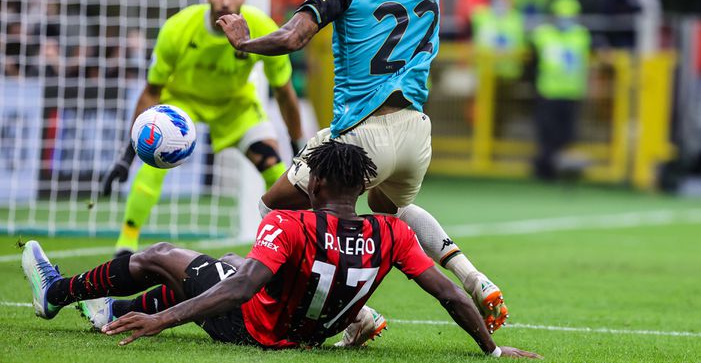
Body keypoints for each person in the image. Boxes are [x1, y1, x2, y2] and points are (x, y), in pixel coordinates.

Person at [216, 0, 509, 340]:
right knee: (391, 213)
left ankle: (356, 315)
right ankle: (472, 276)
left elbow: (293, 37)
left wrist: (244, 42)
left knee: (274, 210)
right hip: (415, 134)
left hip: (361, 133)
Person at [22, 141, 540, 359]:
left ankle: (57, 291)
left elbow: (243, 289)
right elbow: (449, 293)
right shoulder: (392, 233)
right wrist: (492, 350)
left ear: (316, 183)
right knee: (223, 266)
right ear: (360, 188)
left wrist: (164, 321)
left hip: (253, 328)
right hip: (313, 332)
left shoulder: (289, 223)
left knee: (159, 255)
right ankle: (115, 310)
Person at [102, 0, 304, 254]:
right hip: (184, 104)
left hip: (236, 106)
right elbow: (151, 92)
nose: (225, 1)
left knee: (276, 170)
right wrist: (127, 155)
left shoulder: (263, 28)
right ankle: (126, 243)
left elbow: (285, 92)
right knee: (155, 159)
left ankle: (294, 245)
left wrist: (298, 147)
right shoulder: (178, 28)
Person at [529, 0, 591, 180]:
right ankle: (545, 170)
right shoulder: (543, 34)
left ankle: (562, 170)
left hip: (572, 92)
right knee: (547, 134)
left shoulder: (581, 35)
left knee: (566, 135)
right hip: (548, 91)